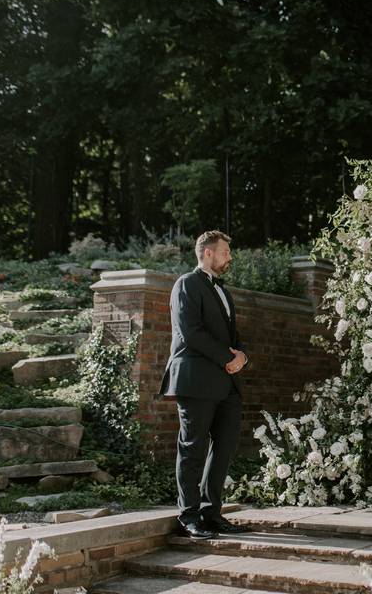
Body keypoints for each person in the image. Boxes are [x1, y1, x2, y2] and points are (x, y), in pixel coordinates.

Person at [159, 230, 250, 539]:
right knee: (193, 448)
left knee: (224, 448)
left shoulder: (223, 291)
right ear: (208, 253)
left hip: (227, 382)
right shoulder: (186, 284)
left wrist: (242, 356)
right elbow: (190, 332)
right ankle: (189, 515)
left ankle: (212, 512)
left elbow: (230, 335)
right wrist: (228, 357)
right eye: (225, 251)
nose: (230, 256)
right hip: (195, 379)